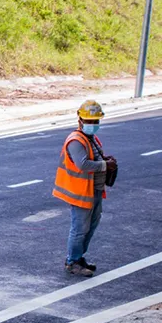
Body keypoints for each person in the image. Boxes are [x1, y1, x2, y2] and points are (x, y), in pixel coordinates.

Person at [52, 100, 117, 277]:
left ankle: (79, 257)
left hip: (93, 190)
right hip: (80, 193)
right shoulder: (76, 141)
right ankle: (72, 261)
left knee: (90, 227)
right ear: (80, 120)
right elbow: (82, 164)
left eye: (95, 121)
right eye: (89, 121)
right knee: (80, 229)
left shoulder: (91, 139)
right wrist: (105, 165)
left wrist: (105, 161)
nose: (92, 125)